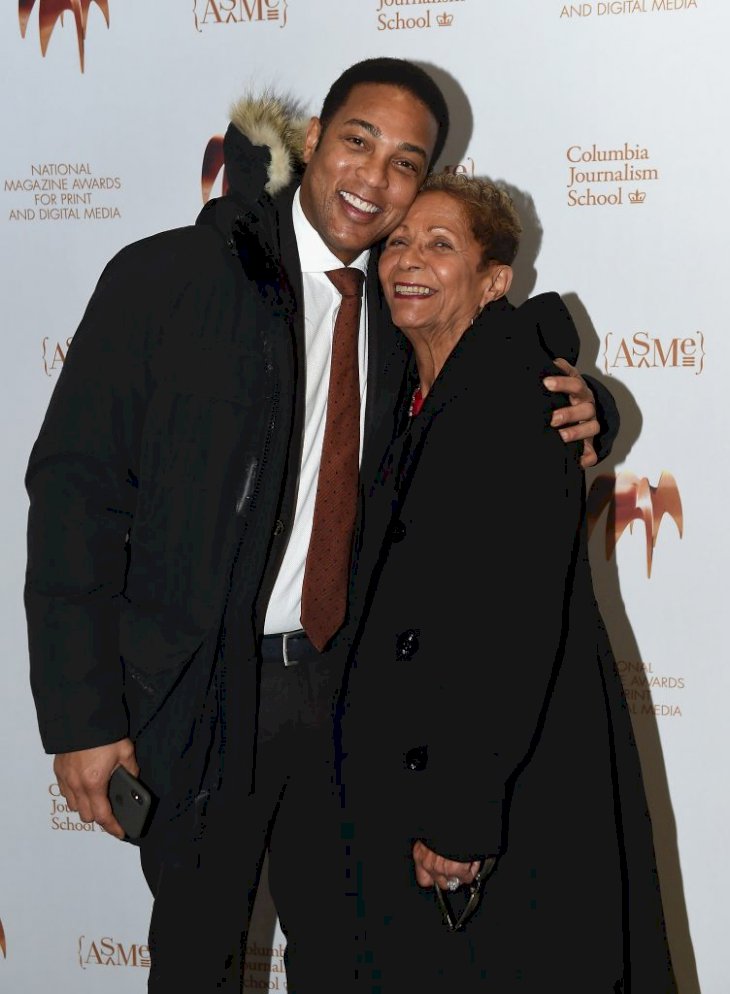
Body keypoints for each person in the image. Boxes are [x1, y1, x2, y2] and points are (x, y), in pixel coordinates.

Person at [23, 60, 620, 992]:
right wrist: (81, 713)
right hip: (207, 695)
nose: (375, 178)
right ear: (312, 142)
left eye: (405, 162)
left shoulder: (401, 300)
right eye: (357, 141)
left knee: (356, 965)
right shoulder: (167, 277)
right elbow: (73, 498)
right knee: (196, 962)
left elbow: (493, 359)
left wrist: (589, 403)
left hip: (357, 704)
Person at [334, 172, 677, 992]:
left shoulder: (515, 397)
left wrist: (462, 813)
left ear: (494, 281)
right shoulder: (409, 383)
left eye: (440, 244)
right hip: (439, 778)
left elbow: (514, 628)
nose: (408, 259)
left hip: (498, 788)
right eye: (400, 241)